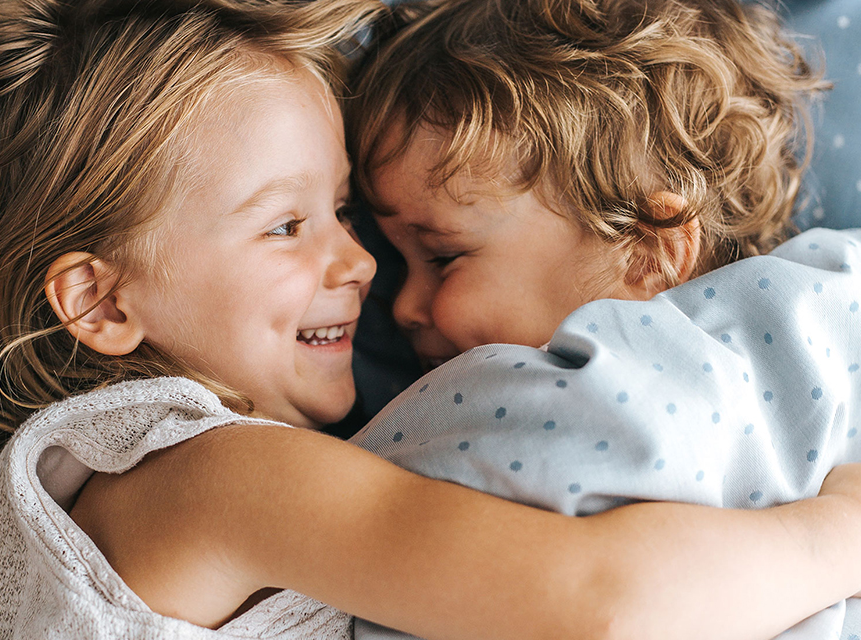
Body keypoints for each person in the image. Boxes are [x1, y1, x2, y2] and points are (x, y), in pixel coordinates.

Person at [0, 0, 860, 639]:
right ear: (104, 301)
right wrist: (838, 535)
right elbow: (601, 605)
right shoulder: (208, 476)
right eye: (287, 225)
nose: (358, 265)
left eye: (342, 215)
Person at [343, 0, 861, 637]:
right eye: (400, 263)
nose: (400, 306)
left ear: (647, 251)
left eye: (444, 257)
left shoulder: (807, 310)